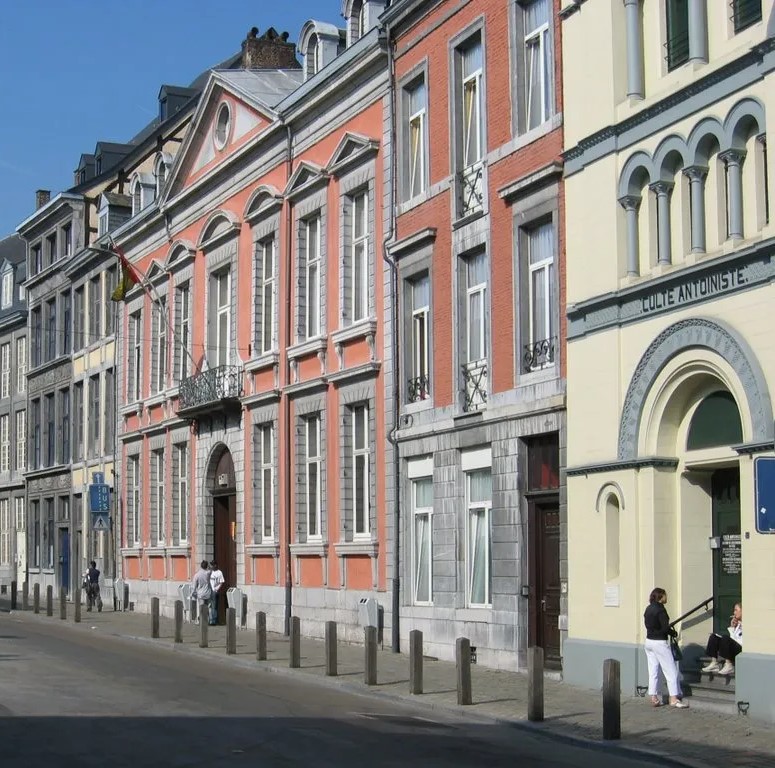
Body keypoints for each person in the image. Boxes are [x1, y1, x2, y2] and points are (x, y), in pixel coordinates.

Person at [643, 587, 688, 708]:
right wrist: (672, 633)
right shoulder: (660, 609)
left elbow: (647, 624)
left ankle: (653, 697)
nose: (666, 597)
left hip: (649, 641)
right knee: (671, 670)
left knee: (653, 670)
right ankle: (674, 698)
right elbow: (665, 627)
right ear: (661, 597)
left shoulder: (648, 608)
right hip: (659, 643)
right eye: (665, 595)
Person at [702, 603, 742, 675]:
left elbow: (739, 640)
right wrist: (732, 627)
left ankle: (729, 664)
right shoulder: (737, 623)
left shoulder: (747, 623)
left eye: (736, 610)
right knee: (713, 637)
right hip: (733, 648)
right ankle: (714, 663)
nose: (734, 613)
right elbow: (733, 638)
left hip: (741, 650)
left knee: (725, 638)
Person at [209, 560, 225, 626]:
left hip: (215, 591)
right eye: (211, 565)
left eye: (213, 565)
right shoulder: (210, 572)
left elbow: (222, 582)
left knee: (214, 606)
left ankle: (213, 621)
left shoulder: (219, 572)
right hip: (209, 591)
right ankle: (209, 619)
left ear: (216, 565)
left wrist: (217, 589)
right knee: (209, 606)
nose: (212, 566)